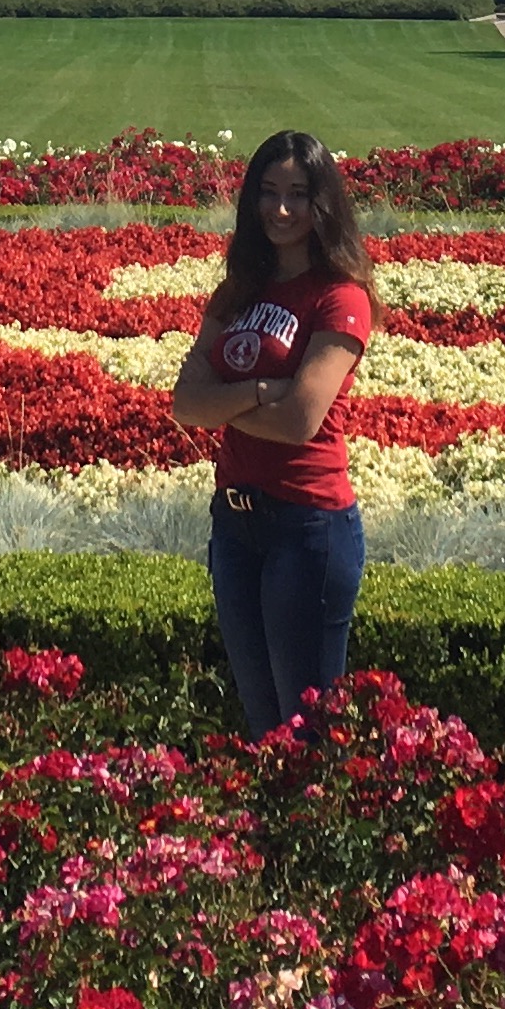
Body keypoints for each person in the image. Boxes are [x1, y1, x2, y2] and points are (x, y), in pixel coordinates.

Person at [169, 129, 373, 738]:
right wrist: (260, 392)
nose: (280, 209)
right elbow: (185, 404)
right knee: (261, 727)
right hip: (235, 528)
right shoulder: (238, 290)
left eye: (298, 194)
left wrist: (222, 403)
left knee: (306, 732)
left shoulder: (341, 297)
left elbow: (300, 421)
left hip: (307, 529)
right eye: (268, 192)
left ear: (323, 204)